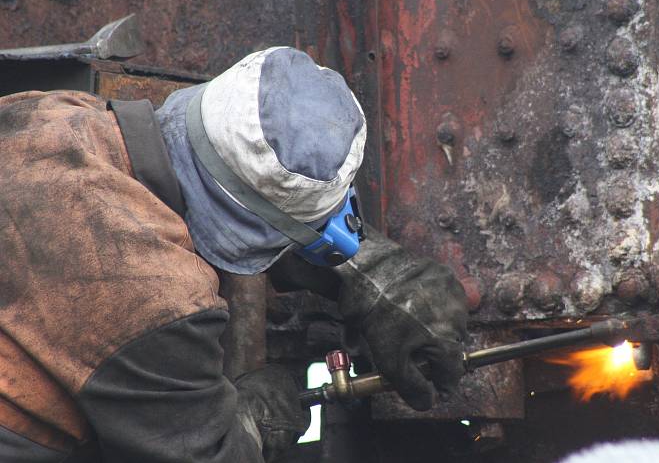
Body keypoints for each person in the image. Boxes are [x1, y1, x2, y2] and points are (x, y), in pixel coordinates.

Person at [0, 47, 468, 462]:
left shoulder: (53, 116)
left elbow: (209, 192)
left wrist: (369, 270)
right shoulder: (157, 301)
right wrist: (256, 417)